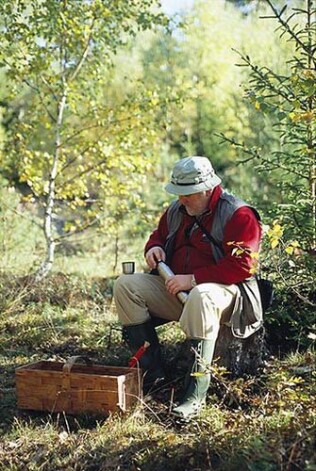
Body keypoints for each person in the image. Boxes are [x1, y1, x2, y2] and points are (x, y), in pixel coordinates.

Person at [114, 156, 263, 420]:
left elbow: (243, 267)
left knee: (203, 295)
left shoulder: (239, 214)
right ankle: (153, 376)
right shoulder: (177, 210)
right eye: (179, 193)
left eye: (188, 194)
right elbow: (157, 237)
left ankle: (194, 396)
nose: (182, 199)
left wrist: (193, 279)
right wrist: (154, 249)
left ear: (207, 188)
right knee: (126, 285)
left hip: (228, 295)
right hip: (182, 290)